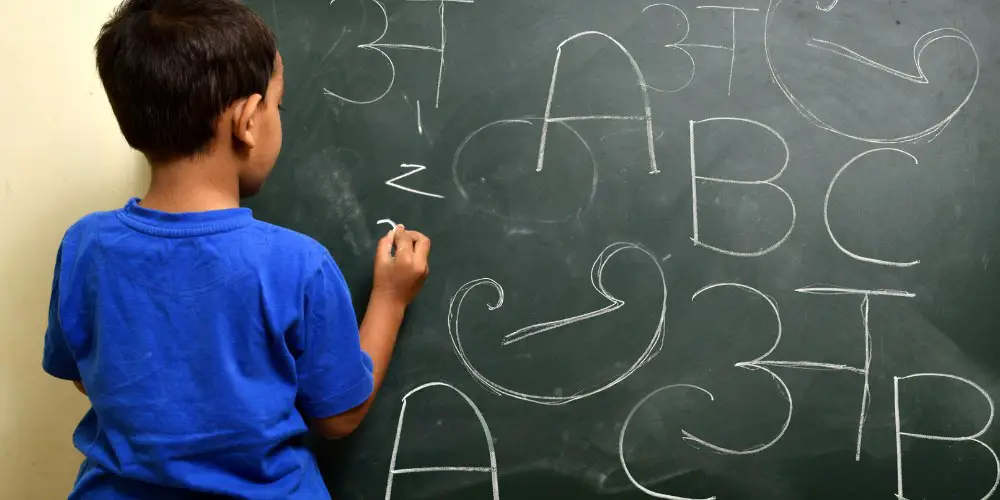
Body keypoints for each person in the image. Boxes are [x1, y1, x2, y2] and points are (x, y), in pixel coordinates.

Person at [41, 0, 431, 498]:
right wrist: (391, 299)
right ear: (248, 121)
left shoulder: (84, 245)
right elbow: (339, 416)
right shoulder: (296, 264)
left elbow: (84, 376)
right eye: (277, 107)